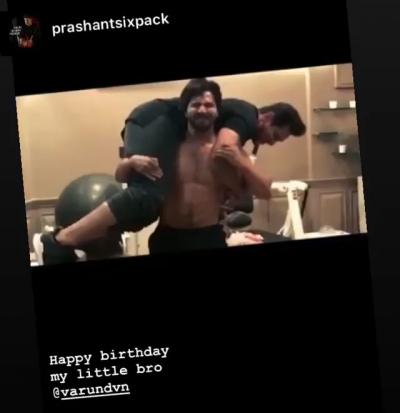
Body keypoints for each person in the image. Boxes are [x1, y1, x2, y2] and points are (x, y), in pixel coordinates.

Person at [33, 78, 306, 265]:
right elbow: (121, 179)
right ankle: (61, 240)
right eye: (196, 104)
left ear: (218, 110)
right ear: (184, 110)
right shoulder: (167, 150)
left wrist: (242, 164)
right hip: (169, 237)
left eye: (209, 105)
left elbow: (260, 192)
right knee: (142, 199)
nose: (202, 110)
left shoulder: (230, 154)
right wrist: (130, 163)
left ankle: (61, 241)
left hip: (209, 237)